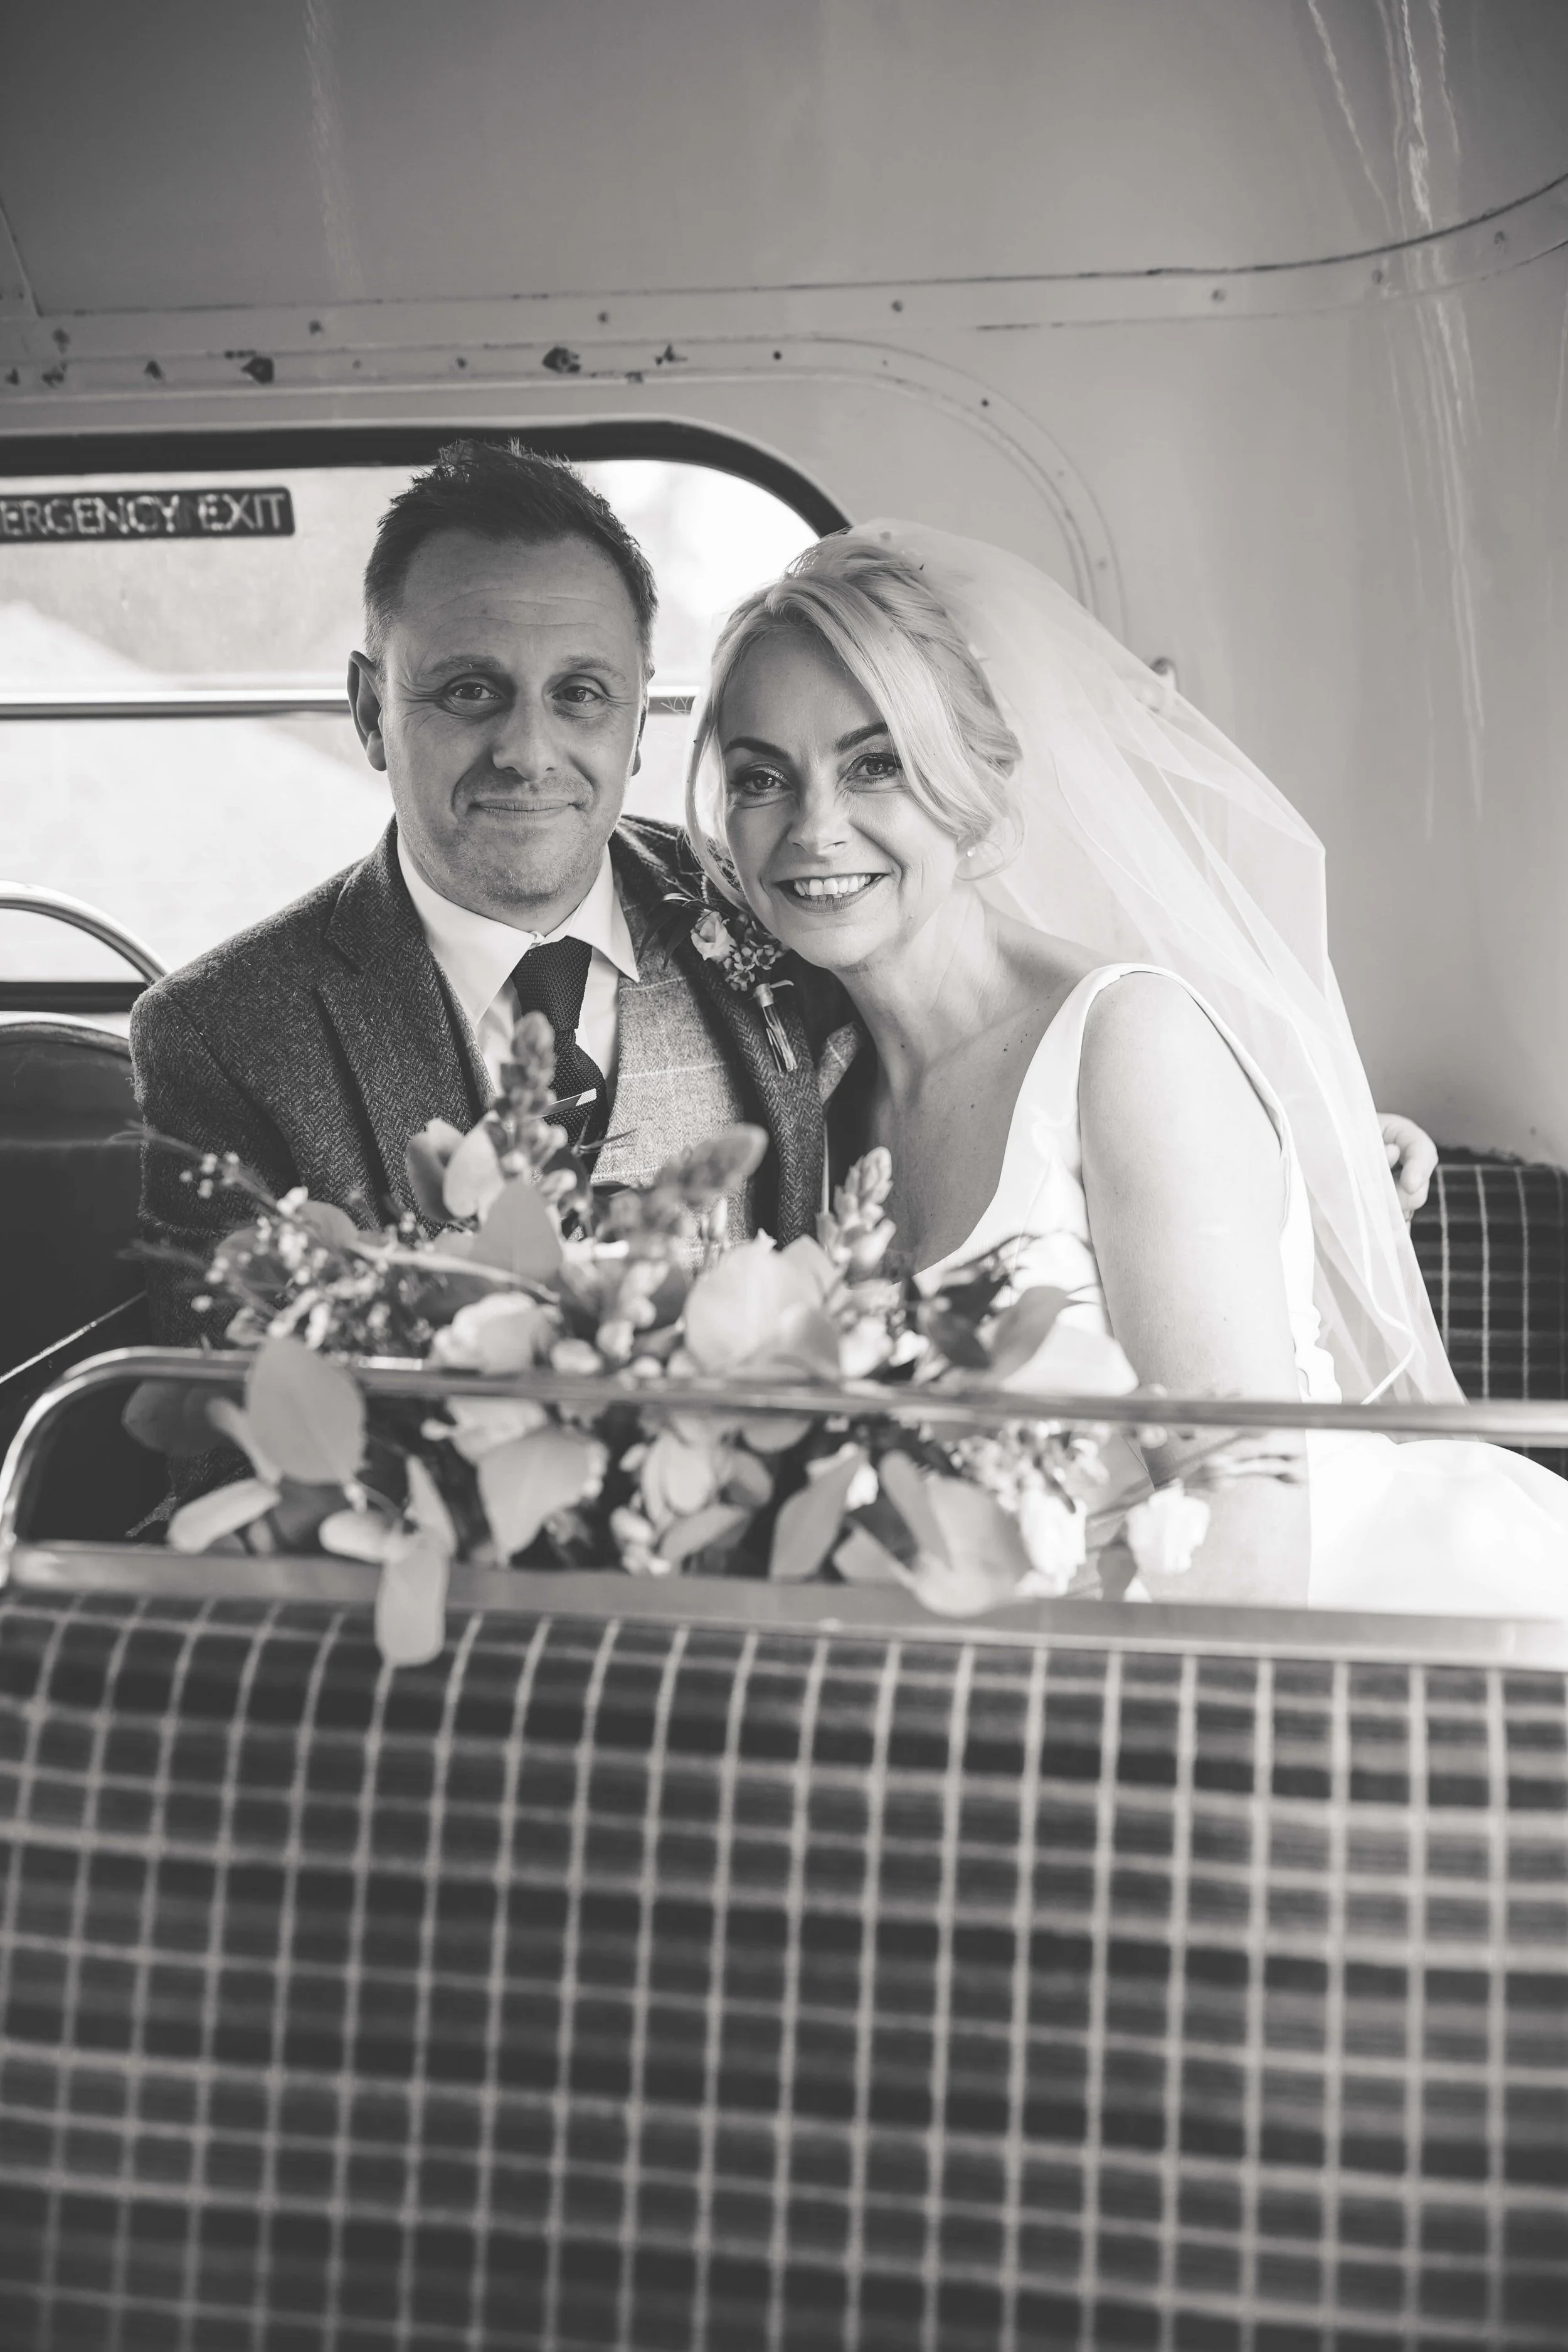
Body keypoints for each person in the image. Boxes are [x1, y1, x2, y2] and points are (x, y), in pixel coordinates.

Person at [684, 522, 1568, 1615]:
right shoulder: (810, 1082)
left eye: (876, 764)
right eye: (763, 777)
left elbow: (1240, 1506)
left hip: (1295, 1638)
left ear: (973, 773)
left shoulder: (1128, 1043)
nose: (816, 827)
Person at [132, 442, 848, 1345]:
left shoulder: (779, 925)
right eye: (471, 689)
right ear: (369, 711)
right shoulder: (224, 1035)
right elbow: (227, 1436)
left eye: (581, 693)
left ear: (638, 723)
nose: (528, 750)